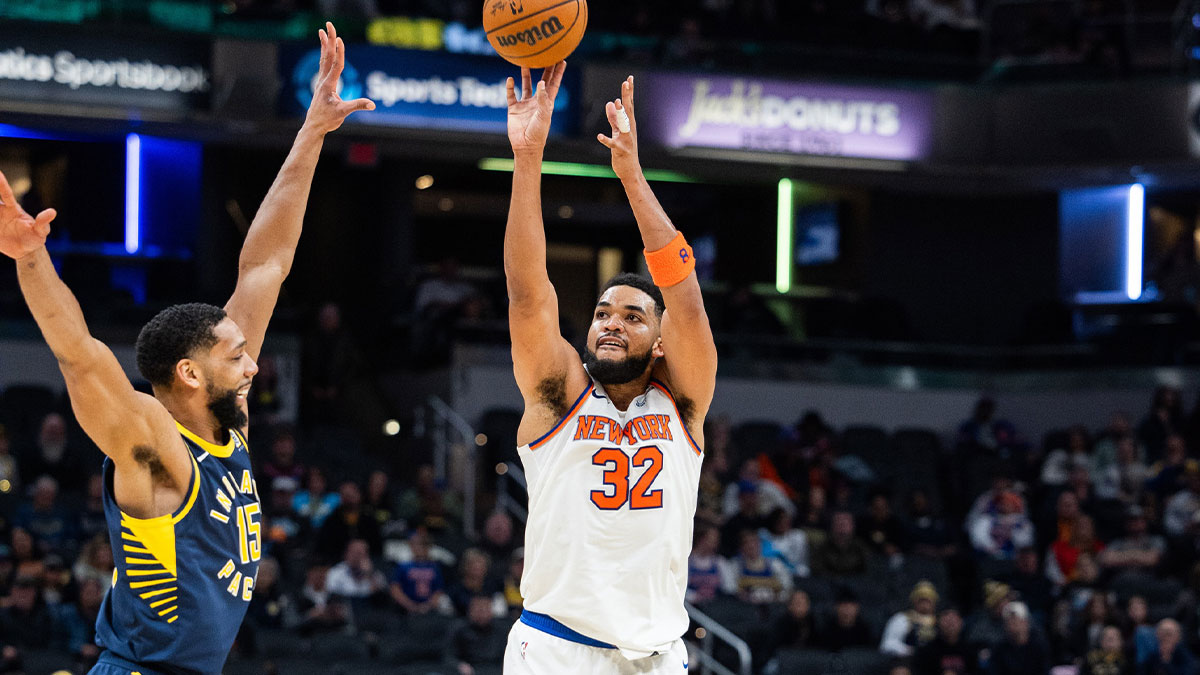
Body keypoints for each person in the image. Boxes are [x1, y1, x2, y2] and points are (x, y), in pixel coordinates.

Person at [0, 22, 372, 675]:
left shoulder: (231, 420)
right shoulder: (159, 451)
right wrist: (32, 260)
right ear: (191, 373)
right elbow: (81, 356)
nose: (253, 360)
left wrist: (312, 132)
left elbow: (266, 264)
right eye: (236, 355)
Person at [501, 64, 717, 673]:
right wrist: (528, 157)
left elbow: (688, 300)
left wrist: (631, 174)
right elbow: (526, 294)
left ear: (660, 344)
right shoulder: (559, 396)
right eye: (601, 314)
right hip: (555, 648)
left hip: (655, 656)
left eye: (632, 316)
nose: (612, 323)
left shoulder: (684, 402)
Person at [880, 581, 940, 657]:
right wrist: (909, 650)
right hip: (909, 661)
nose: (925, 605)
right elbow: (887, 644)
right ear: (914, 601)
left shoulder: (941, 620)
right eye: (922, 600)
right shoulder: (902, 619)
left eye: (928, 601)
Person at [913, 607, 979, 675]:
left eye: (953, 621)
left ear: (961, 623)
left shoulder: (970, 650)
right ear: (937, 623)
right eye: (947, 621)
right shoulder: (926, 651)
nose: (950, 625)